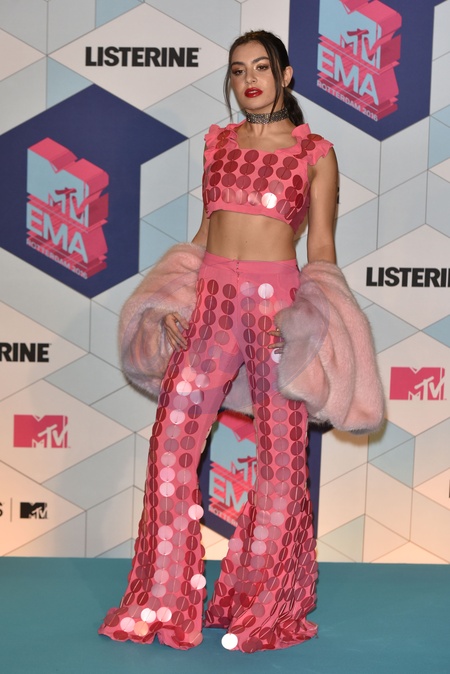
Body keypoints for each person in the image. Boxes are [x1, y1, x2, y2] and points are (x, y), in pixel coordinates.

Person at [98, 30, 384, 653]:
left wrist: (306, 317)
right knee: (170, 446)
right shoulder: (218, 143)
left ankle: (263, 604)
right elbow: (205, 233)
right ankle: (163, 599)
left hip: (277, 314)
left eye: (260, 67)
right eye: (237, 70)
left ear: (285, 75)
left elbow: (322, 250)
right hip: (211, 307)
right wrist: (172, 301)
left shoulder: (316, 152)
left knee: (281, 462)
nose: (249, 79)